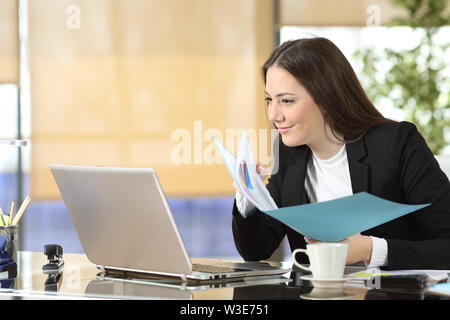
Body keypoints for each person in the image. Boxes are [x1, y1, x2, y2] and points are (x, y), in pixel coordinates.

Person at [232, 37, 450, 270]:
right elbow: (255, 250)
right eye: (269, 100)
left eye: (286, 100)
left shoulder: (396, 143)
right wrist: (247, 196)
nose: (273, 115)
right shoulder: (289, 154)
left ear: (326, 98)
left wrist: (372, 249)